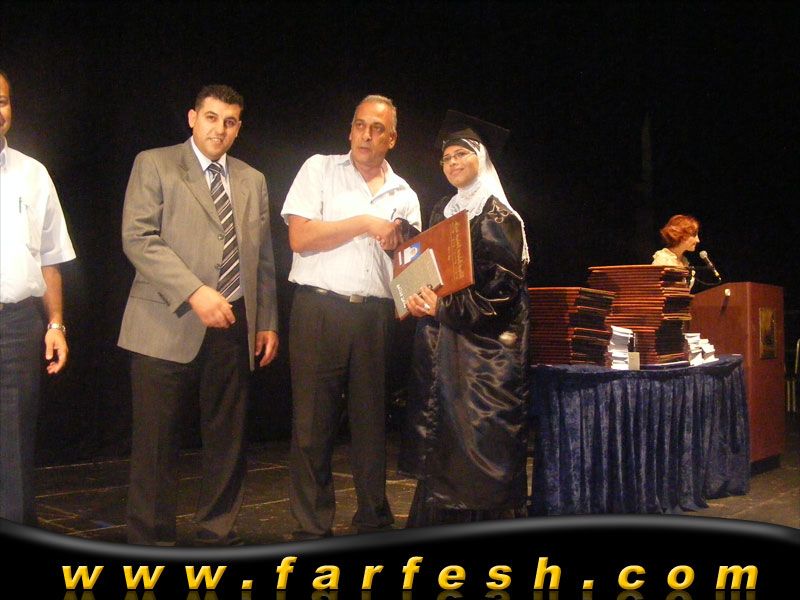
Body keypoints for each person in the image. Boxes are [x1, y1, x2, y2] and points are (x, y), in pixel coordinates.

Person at [118, 84, 279, 546]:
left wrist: (266, 320)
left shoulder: (252, 179)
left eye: (229, 122)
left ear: (238, 128)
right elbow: (138, 237)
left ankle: (217, 531)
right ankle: (151, 540)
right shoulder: (155, 163)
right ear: (193, 118)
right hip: (165, 322)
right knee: (156, 442)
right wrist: (194, 292)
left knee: (228, 438)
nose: (219, 129)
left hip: (233, 323)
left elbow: (262, 255)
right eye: (211, 118)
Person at [281, 94, 421, 540]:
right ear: (350, 129)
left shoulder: (405, 194)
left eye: (377, 129)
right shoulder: (319, 169)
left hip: (374, 315)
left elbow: (411, 269)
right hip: (319, 308)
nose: (366, 135)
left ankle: (373, 519)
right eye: (360, 125)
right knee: (312, 421)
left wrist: (402, 261)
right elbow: (300, 238)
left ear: (392, 139)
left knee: (371, 420)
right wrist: (364, 223)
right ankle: (311, 524)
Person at [398, 110, 531, 527]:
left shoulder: (499, 217)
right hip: (444, 347)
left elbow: (500, 296)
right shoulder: (444, 210)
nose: (452, 162)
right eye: (446, 158)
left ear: (481, 157)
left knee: (479, 449)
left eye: (461, 154)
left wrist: (442, 308)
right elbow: (433, 274)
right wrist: (416, 297)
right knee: (443, 444)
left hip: (483, 357)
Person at [0, 70, 76, 526]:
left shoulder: (33, 174)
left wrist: (56, 324)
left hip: (15, 326)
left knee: (13, 449)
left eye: (2, 101)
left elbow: (50, 257)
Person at [651, 214, 700, 288]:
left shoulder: (684, 261)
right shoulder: (663, 260)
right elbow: (655, 289)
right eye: (694, 235)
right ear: (681, 235)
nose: (698, 240)